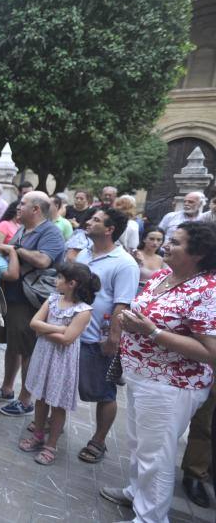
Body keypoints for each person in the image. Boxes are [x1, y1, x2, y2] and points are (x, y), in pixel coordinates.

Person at [100, 221, 216, 522]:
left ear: (199, 253)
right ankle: (136, 493)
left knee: (157, 455)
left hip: (170, 385)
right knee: (140, 444)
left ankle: (150, 517)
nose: (166, 245)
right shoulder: (165, 274)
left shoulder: (207, 290)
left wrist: (151, 332)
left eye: (176, 243)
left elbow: (210, 352)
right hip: (142, 376)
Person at [0, 192, 65, 416]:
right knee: (12, 345)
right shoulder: (23, 228)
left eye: (23, 204)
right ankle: (7, 389)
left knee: (27, 349)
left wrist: (12, 249)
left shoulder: (51, 232)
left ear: (36, 209)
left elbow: (43, 260)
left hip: (30, 300)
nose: (18, 207)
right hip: (14, 296)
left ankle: (25, 400)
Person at [75, 208, 139, 464]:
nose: (89, 222)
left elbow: (122, 305)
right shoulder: (83, 253)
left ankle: (98, 441)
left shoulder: (124, 263)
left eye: (96, 220)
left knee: (104, 392)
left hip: (96, 340)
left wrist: (113, 339)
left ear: (110, 230)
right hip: (71, 334)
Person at [18, 262, 98, 465]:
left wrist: (46, 330)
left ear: (72, 284)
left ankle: (51, 444)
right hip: (45, 355)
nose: (56, 281)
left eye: (60, 278)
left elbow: (67, 340)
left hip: (62, 362)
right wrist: (62, 328)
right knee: (41, 398)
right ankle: (37, 435)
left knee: (59, 404)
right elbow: (33, 323)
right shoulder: (53, 299)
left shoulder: (83, 310)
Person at [131, 226, 167, 293]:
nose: (155, 243)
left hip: (152, 293)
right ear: (144, 239)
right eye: (151, 239)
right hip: (133, 291)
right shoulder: (135, 254)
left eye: (159, 240)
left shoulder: (162, 260)